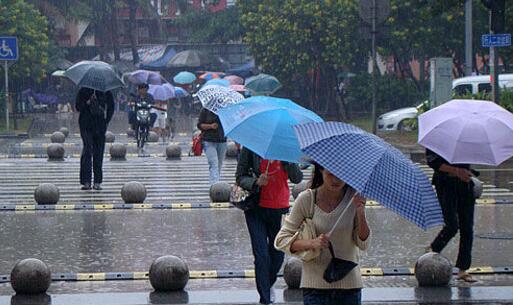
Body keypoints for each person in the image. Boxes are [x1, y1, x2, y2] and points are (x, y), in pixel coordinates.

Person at [275, 162, 370, 305]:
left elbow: (363, 243)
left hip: (349, 286)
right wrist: (312, 243)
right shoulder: (306, 199)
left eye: (341, 175)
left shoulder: (354, 198)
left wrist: (361, 211)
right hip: (315, 288)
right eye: (330, 174)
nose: (336, 180)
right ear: (321, 171)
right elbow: (281, 240)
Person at [236, 147, 303, 304]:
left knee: (278, 254)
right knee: (261, 256)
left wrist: (288, 160)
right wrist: (256, 182)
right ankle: (265, 298)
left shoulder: (286, 149)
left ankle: (268, 282)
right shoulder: (251, 148)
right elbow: (240, 176)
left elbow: (297, 178)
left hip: (278, 209)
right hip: (255, 208)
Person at [425, 149, 478, 283]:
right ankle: (433, 250)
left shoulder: (468, 137)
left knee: (467, 228)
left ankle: (463, 269)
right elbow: (433, 162)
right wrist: (456, 171)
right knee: (452, 225)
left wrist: (467, 172)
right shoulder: (437, 137)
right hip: (445, 185)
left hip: (465, 185)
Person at [75, 87, 114, 191]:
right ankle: (86, 181)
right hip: (86, 124)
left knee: (98, 152)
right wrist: (87, 103)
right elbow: (78, 107)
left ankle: (97, 181)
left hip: (100, 125)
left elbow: (111, 107)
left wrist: (106, 121)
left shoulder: (106, 91)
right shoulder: (83, 90)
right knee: (87, 150)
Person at [197, 108, 227, 185]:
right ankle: (214, 185)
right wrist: (210, 126)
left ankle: (216, 184)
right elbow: (200, 125)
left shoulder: (226, 110)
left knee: (219, 164)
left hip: (222, 140)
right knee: (213, 163)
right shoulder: (206, 110)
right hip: (208, 141)